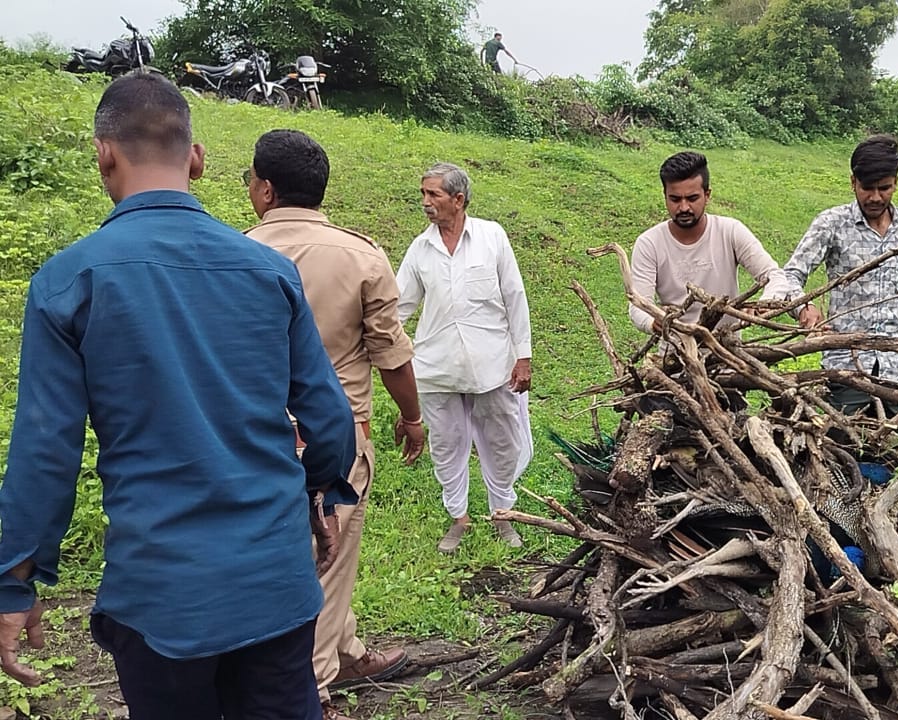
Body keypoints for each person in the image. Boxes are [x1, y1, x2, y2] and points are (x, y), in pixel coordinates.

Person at [0, 74, 357, 719]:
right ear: (195, 158)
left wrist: (14, 583)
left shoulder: (68, 281)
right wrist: (322, 491)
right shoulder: (268, 271)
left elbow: (45, 452)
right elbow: (328, 418)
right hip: (273, 584)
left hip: (162, 595)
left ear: (104, 154)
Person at [244, 129, 425, 720]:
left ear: (266, 189)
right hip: (338, 433)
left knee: (311, 556)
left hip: (256, 438)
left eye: (250, 179)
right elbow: (391, 354)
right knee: (327, 559)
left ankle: (343, 653)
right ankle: (315, 690)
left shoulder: (237, 253)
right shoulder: (361, 255)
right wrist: (413, 418)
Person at [396, 162, 533, 553]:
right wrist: (381, 345)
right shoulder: (421, 248)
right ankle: (459, 518)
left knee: (502, 440)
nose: (425, 201)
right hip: (436, 367)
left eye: (433, 194)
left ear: (458, 199)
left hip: (493, 365)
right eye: (423, 193)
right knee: (446, 442)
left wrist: (523, 356)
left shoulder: (492, 236)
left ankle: (503, 513)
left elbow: (514, 297)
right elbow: (399, 305)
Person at [771, 135, 898, 416]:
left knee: (890, 453)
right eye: (867, 188)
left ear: (896, 183)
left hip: (896, 369)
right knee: (840, 450)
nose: (875, 197)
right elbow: (791, 275)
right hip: (846, 369)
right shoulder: (832, 224)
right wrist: (801, 307)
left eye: (885, 188)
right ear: (853, 182)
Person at [629, 151, 789, 334]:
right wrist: (653, 322)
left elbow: (774, 275)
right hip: (674, 354)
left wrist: (764, 304)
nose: (683, 208)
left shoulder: (730, 232)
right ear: (665, 196)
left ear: (707, 195)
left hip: (729, 352)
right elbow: (638, 306)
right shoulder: (649, 243)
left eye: (692, 198)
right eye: (675, 199)